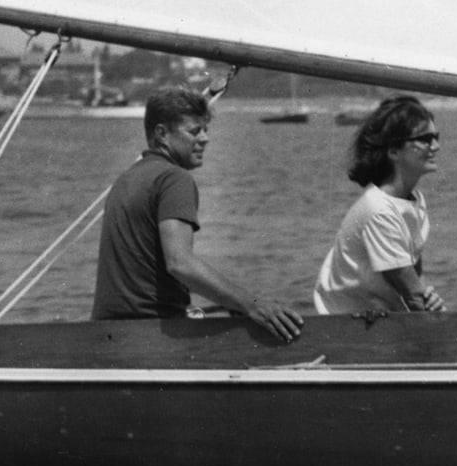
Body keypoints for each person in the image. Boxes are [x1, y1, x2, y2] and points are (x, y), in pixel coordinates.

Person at [92, 86, 303, 342]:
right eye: (194, 131)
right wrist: (252, 304)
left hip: (106, 333)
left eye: (206, 130)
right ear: (161, 134)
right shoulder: (174, 179)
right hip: (152, 336)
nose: (205, 139)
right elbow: (180, 263)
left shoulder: (126, 179)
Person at [313, 95, 446, 314]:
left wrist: (429, 300)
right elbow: (413, 297)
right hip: (346, 326)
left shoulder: (412, 201)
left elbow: (415, 282)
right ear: (393, 151)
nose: (436, 146)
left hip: (382, 317)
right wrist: (428, 304)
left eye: (436, 137)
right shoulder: (379, 210)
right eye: (425, 139)